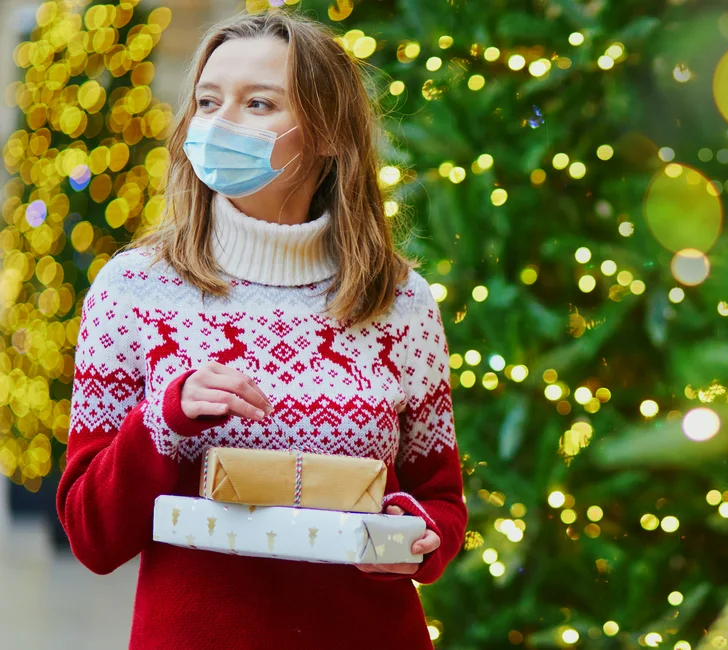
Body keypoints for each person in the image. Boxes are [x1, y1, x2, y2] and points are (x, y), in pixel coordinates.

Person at [55, 11, 465, 649]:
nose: (219, 123)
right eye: (208, 101)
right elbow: (92, 535)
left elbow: (440, 500)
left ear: (327, 133)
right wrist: (167, 419)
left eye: (259, 104)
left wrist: (414, 535)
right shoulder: (132, 290)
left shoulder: (400, 300)